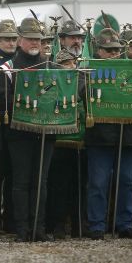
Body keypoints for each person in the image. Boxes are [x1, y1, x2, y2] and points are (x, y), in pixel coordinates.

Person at [0, 17, 55, 242]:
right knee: (21, 182)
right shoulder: (8, 68)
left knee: (41, 181)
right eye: (30, 39)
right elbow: (3, 99)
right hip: (19, 133)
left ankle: (38, 228)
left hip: (45, 133)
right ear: (20, 40)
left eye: (38, 40)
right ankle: (21, 228)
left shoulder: (52, 67)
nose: (34, 43)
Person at [86, 28, 132, 240]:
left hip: (129, 135)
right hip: (100, 136)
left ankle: (124, 224)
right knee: (98, 183)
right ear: (98, 50)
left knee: (127, 182)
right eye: (108, 50)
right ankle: (97, 225)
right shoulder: (89, 69)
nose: (113, 54)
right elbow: (82, 92)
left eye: (116, 50)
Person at [45, 50, 87, 239]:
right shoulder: (52, 82)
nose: (70, 66)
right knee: (59, 186)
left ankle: (79, 225)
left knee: (80, 184)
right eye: (65, 63)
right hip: (59, 141)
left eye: (72, 63)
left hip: (81, 140)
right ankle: (58, 225)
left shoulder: (82, 81)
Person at [0, 19, 18, 233]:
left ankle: (10, 220)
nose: (10, 43)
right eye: (6, 39)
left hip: (15, 126)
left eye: (13, 39)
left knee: (13, 175)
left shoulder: (18, 60)